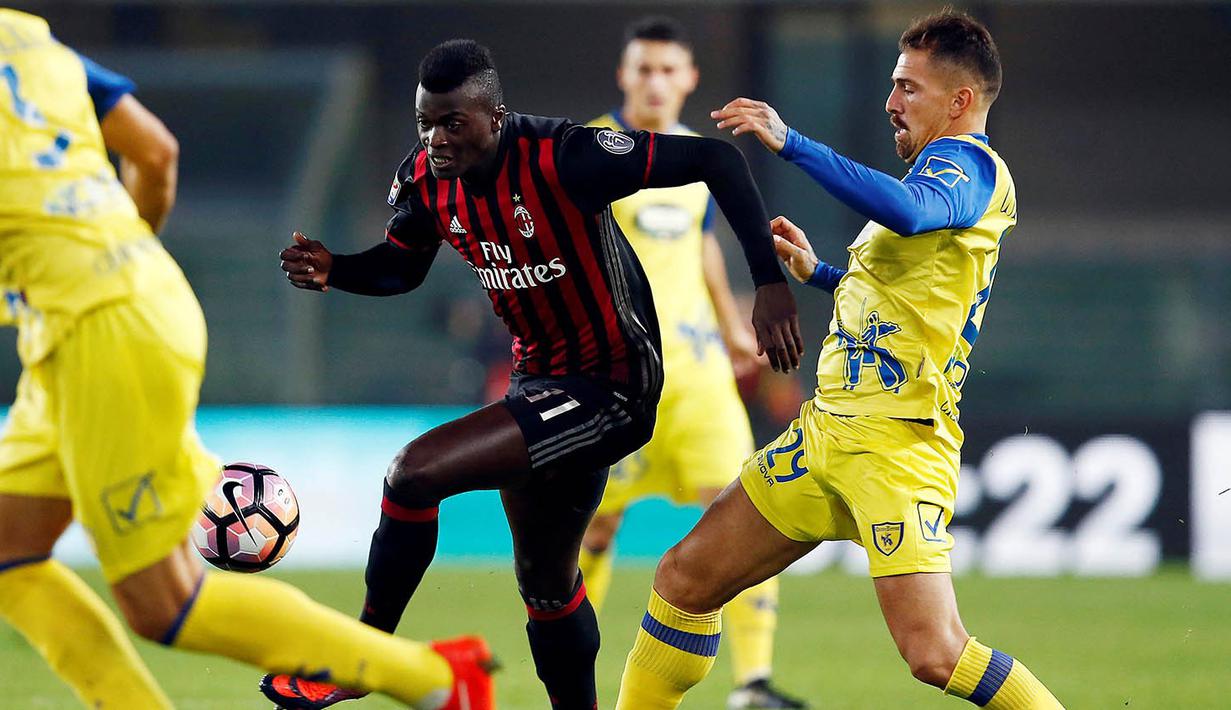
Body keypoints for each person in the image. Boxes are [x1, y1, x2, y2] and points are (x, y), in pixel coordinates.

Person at [268, 37, 802, 710]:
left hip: (613, 385)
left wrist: (767, 283)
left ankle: (358, 660)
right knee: (547, 585)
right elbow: (402, 267)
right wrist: (337, 270)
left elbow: (716, 159)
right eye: (425, 123)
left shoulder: (566, 156)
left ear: (494, 116)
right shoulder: (427, 179)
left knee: (414, 472)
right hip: (539, 383)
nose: (435, 139)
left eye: (452, 123)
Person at [0, 10, 493, 710]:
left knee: (163, 603)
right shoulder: (26, 35)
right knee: (9, 551)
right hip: (114, 303)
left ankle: (441, 683)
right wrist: (117, 264)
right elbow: (155, 152)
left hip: (96, 328)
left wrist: (91, 289)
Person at [615, 11, 1064, 709]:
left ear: (959, 102)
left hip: (893, 445)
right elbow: (900, 295)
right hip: (827, 435)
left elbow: (910, 213)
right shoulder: (934, 178)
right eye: (893, 84)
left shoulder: (968, 166)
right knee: (682, 580)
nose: (891, 101)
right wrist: (820, 272)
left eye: (908, 87)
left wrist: (791, 142)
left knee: (934, 654)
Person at [580, 17, 805, 709]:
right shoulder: (585, 150)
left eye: (666, 69)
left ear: (688, 79)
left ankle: (753, 683)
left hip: (699, 377)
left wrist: (733, 325)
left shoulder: (696, 159)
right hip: (617, 383)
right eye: (641, 68)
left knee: (744, 513)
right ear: (623, 75)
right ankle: (573, 681)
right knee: (593, 527)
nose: (653, 81)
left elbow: (702, 245)